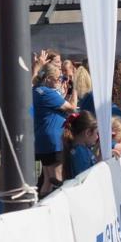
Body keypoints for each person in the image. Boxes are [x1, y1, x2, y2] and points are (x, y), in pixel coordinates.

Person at [33, 64, 77, 196]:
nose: (61, 81)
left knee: (47, 179)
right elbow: (72, 108)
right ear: (48, 79)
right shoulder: (47, 93)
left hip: (43, 139)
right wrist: (75, 88)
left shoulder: (36, 90)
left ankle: (41, 208)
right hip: (53, 141)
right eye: (58, 78)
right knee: (57, 179)